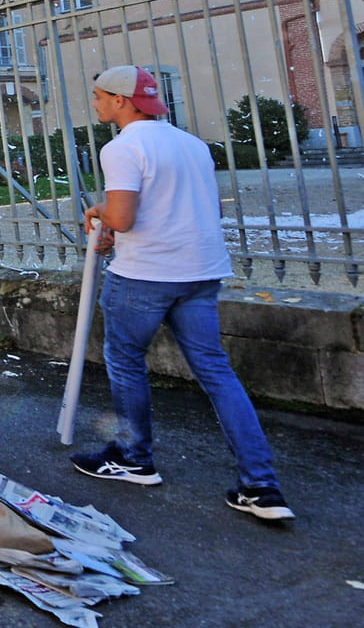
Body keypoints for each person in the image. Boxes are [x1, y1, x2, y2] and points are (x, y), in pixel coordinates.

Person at [71, 66, 293, 521]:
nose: (95, 104)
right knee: (216, 373)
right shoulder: (192, 144)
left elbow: (124, 217)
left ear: (121, 100)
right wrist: (118, 222)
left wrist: (99, 213)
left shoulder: (122, 148)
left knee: (126, 363)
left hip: (145, 274)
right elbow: (199, 207)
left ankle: (134, 459)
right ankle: (261, 485)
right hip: (202, 270)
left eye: (99, 97)